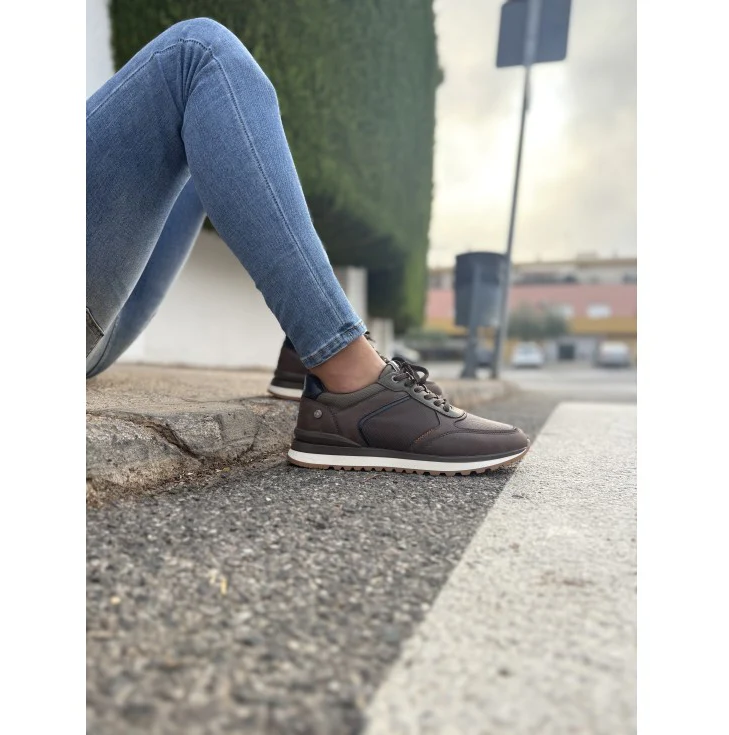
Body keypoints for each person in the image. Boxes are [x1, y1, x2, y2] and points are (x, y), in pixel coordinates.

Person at [87, 18, 529, 475]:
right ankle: (352, 381)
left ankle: (312, 346)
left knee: (213, 130)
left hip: (104, 329)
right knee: (199, 54)